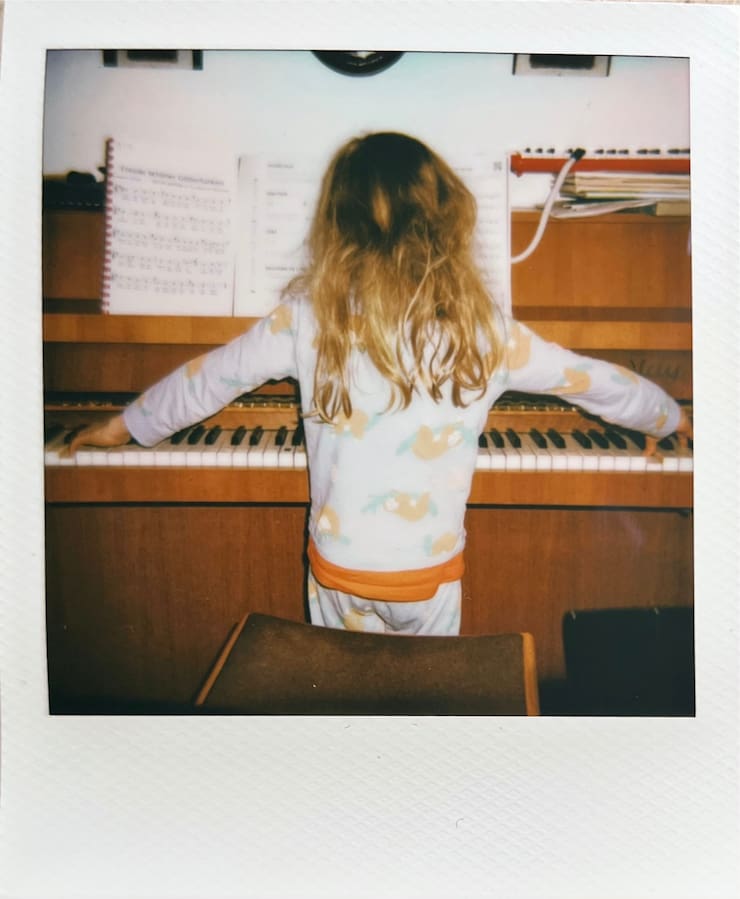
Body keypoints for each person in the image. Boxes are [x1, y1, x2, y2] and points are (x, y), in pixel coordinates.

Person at [67, 131, 692, 637]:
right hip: (429, 575)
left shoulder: (306, 317)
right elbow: (591, 379)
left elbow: (208, 380)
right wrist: (668, 416)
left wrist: (124, 425)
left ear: (335, 226)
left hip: (338, 571)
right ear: (448, 223)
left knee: (345, 685)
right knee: (423, 692)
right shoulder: (487, 331)